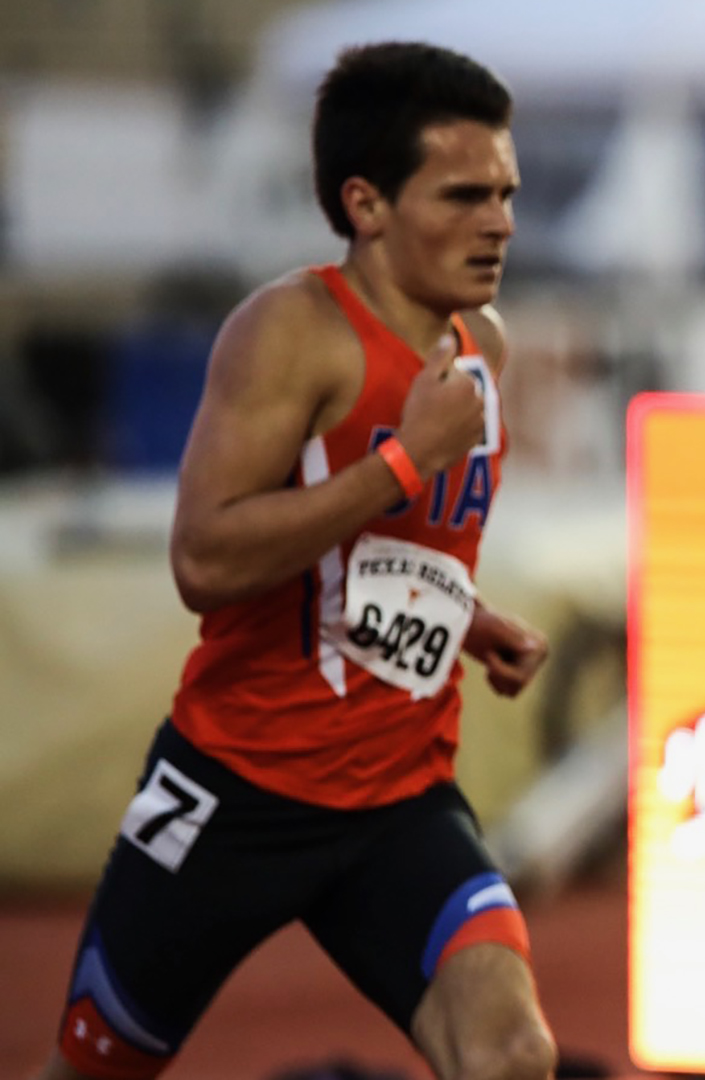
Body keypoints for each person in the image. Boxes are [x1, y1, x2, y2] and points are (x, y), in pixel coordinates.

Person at [39, 42, 557, 1080]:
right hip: (236, 790)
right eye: (461, 195)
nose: (498, 221)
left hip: (398, 797)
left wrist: (467, 617)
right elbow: (204, 560)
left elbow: (381, 560)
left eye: (504, 192)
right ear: (366, 204)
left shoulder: (482, 348)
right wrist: (406, 461)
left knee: (511, 1054)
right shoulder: (287, 333)